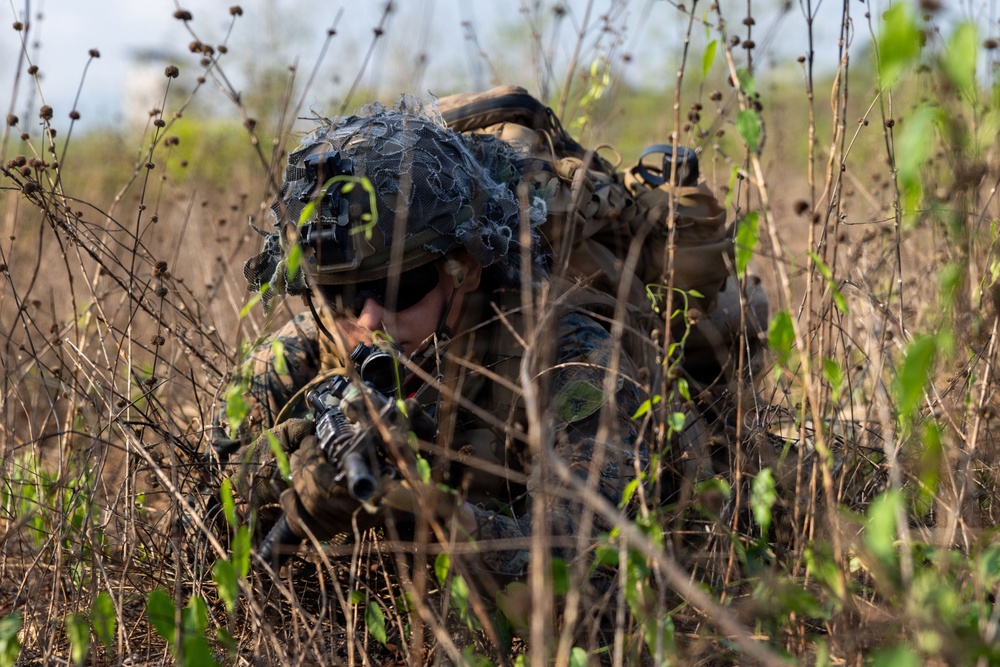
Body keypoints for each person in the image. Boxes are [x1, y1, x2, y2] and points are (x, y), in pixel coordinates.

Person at [211, 99, 652, 582]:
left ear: (463, 266)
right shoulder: (290, 358)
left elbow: (592, 559)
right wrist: (275, 470)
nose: (368, 319)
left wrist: (434, 517)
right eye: (338, 296)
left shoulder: (563, 357)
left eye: (398, 288)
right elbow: (198, 524)